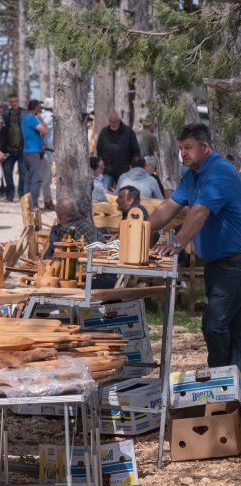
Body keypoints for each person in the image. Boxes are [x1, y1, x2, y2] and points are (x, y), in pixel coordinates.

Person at [151, 124, 241, 369]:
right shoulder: (192, 176)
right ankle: (231, 395)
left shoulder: (219, 172)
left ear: (205, 147)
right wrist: (138, 231)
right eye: (181, 148)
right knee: (232, 330)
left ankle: (220, 380)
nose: (183, 154)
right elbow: (169, 207)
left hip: (234, 265)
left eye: (188, 148)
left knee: (214, 324)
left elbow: (199, 213)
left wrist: (178, 243)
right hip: (218, 266)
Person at [96, 111, 141, 190]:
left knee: (123, 191)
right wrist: (101, 163)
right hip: (107, 169)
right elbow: (99, 149)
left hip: (124, 170)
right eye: (111, 122)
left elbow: (135, 150)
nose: (113, 124)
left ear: (119, 121)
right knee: (104, 191)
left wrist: (133, 166)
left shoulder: (129, 132)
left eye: (115, 122)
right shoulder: (104, 132)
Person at [0, 93, 27, 201]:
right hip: (9, 148)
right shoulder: (5, 114)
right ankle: (10, 195)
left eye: (16, 101)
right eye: (12, 102)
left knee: (23, 173)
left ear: (19, 101)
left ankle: (21, 195)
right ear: (9, 103)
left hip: (22, 148)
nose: (14, 103)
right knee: (7, 172)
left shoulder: (24, 113)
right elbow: (2, 132)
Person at [21, 99, 49, 208]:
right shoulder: (32, 119)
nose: (41, 109)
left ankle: (26, 203)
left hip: (27, 151)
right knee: (36, 179)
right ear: (36, 107)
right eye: (40, 107)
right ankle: (34, 205)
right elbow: (45, 131)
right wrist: (41, 120)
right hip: (34, 152)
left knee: (28, 178)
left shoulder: (25, 118)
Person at [39, 97, 55, 210]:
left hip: (48, 151)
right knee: (44, 178)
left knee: (47, 178)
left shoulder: (44, 116)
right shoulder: (49, 117)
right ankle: (35, 202)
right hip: (46, 150)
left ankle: (48, 200)